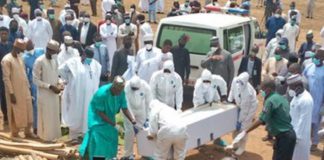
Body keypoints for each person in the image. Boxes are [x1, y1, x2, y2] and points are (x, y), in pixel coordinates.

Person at [233, 79, 296, 159]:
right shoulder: (280, 98)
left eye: (262, 89)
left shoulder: (270, 101)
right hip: (286, 136)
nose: (261, 92)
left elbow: (262, 119)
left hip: (284, 137)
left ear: (268, 89)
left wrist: (245, 131)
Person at [79, 76, 136, 159]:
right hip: (97, 117)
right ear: (113, 87)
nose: (119, 93)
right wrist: (114, 125)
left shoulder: (121, 92)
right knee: (98, 135)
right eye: (118, 91)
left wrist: (132, 120)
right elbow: (100, 112)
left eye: (120, 91)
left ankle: (110, 157)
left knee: (112, 134)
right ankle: (94, 156)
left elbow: (124, 108)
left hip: (109, 116)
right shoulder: (102, 93)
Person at [59, 47, 101, 141]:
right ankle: (73, 135)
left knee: (87, 114)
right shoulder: (73, 62)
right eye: (88, 57)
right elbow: (61, 70)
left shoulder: (96, 65)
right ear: (84, 55)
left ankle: (85, 135)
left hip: (89, 96)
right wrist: (68, 79)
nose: (90, 60)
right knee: (75, 113)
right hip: (76, 94)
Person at [1, 39, 35, 138]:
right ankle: (14, 132)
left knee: (28, 110)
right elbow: (6, 78)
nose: (22, 52)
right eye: (20, 50)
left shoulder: (20, 58)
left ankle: (28, 131)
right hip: (14, 91)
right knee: (14, 111)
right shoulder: (6, 59)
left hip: (24, 89)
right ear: (15, 48)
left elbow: (24, 74)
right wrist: (11, 93)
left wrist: (28, 88)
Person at [33, 40, 62, 142]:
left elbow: (56, 76)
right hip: (45, 94)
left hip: (54, 94)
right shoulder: (39, 61)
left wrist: (60, 83)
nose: (56, 54)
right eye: (55, 52)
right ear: (49, 50)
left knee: (54, 116)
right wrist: (50, 86)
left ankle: (54, 138)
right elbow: (35, 80)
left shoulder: (55, 61)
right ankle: (45, 139)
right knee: (46, 116)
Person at [227, 72, 258, 155]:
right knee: (234, 129)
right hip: (239, 105)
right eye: (238, 81)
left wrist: (239, 121)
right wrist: (229, 101)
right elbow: (232, 90)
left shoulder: (248, 92)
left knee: (243, 129)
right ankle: (235, 145)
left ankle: (242, 147)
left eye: (241, 82)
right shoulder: (235, 80)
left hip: (249, 110)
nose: (239, 83)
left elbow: (245, 110)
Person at [122, 76, 152, 159]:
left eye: (136, 88)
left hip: (141, 110)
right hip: (128, 110)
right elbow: (126, 104)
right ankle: (128, 154)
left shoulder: (145, 86)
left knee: (144, 131)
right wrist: (132, 119)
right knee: (129, 132)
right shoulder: (126, 87)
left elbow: (149, 103)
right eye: (133, 88)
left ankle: (146, 153)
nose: (134, 90)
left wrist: (148, 118)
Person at [286, 74, 313, 160]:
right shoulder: (297, 96)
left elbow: (303, 121)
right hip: (292, 133)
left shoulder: (306, 100)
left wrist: (296, 138)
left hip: (299, 138)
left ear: (298, 86)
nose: (289, 89)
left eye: (291, 87)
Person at [303, 48, 324, 151]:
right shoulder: (309, 67)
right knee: (306, 121)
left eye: (317, 57)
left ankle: (314, 143)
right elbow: (303, 81)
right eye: (314, 57)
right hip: (307, 99)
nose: (315, 59)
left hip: (319, 101)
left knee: (316, 123)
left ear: (322, 58)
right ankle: (305, 141)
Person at [22, 40, 44, 134]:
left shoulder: (40, 51)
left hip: (44, 79)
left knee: (45, 103)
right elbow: (25, 72)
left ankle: (45, 124)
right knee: (35, 105)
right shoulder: (25, 58)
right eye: (26, 44)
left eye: (30, 43)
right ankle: (36, 127)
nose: (28, 45)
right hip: (34, 82)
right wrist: (28, 86)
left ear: (33, 44)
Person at [0, 27, 12, 123]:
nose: (4, 35)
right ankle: (5, 116)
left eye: (5, 33)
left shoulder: (11, 45)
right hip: (1, 74)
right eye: (2, 33)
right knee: (3, 95)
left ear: (8, 34)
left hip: (12, 74)